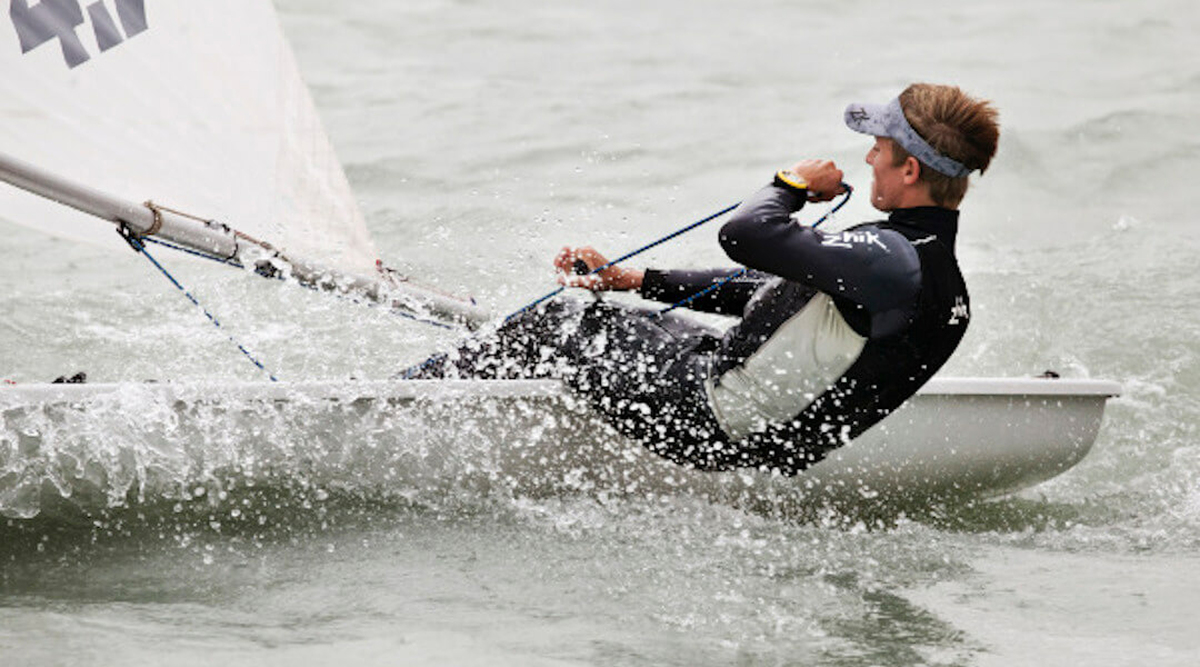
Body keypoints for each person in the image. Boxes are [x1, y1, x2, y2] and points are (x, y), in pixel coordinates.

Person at [415, 82, 1000, 476]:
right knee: (631, 320)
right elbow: (770, 294)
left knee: (556, 321)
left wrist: (788, 184)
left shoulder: (888, 258)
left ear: (911, 168)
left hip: (703, 418)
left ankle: (396, 406)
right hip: (761, 433)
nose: (869, 159)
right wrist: (633, 278)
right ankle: (467, 383)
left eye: (878, 148)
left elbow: (746, 232)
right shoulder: (928, 269)